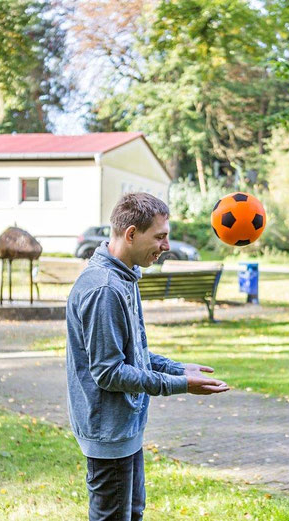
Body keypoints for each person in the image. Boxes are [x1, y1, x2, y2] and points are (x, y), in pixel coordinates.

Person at [67, 192, 230, 521]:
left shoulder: (124, 277)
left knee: (133, 512)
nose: (166, 246)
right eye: (160, 237)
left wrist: (177, 368)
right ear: (131, 234)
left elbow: (133, 353)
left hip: (124, 428)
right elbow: (109, 373)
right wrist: (180, 384)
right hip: (109, 432)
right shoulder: (105, 289)